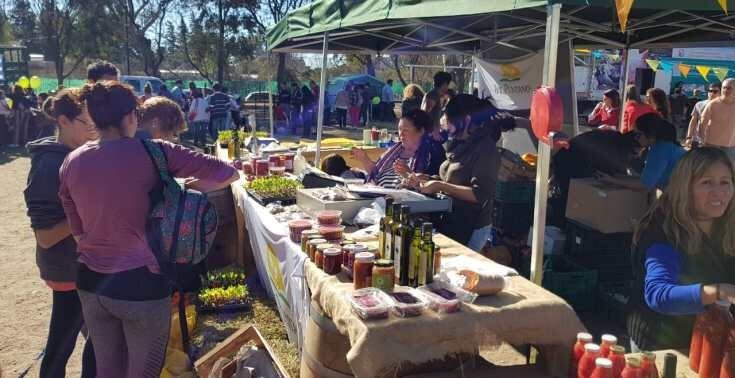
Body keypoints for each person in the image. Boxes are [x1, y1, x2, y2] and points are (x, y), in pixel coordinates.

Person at [59, 81, 239, 377]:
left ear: (92, 117)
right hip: (142, 284)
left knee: (107, 370)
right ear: (131, 116)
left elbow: (76, 229)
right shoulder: (156, 152)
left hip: (92, 285)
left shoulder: (72, 161)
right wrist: (183, 192)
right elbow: (227, 173)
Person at [627, 147, 735, 351]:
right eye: (706, 183)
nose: (718, 192)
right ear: (685, 188)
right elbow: (659, 295)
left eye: (725, 182)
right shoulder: (663, 231)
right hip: (662, 345)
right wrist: (721, 291)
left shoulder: (727, 223)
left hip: (711, 339)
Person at [24, 89, 98, 378]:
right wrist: (91, 213)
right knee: (63, 345)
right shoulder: (48, 167)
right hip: (67, 269)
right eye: (88, 124)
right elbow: (45, 237)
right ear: (64, 121)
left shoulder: (75, 156)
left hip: (81, 264)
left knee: (95, 338)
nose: (95, 130)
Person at [409, 95, 515, 250]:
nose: (447, 127)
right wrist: (426, 178)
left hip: (471, 227)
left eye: (449, 122)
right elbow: (452, 179)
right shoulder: (461, 143)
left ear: (465, 120)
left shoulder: (486, 149)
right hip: (452, 220)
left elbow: (479, 195)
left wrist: (440, 185)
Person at [548, 129, 641, 227]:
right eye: (635, 154)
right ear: (630, 148)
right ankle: (560, 228)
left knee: (568, 200)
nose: (637, 157)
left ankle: (559, 224)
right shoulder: (615, 150)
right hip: (571, 164)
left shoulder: (613, 138)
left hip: (568, 158)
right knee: (569, 202)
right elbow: (616, 176)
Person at [352, 108, 444, 189]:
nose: (401, 134)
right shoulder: (394, 151)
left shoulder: (433, 153)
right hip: (378, 194)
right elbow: (376, 173)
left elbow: (433, 183)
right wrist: (364, 158)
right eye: (399, 129)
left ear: (421, 131)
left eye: (405, 130)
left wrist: (409, 174)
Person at [599, 114, 684, 192]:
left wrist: (612, 180)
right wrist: (618, 178)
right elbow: (645, 180)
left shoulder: (660, 149)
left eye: (638, 134)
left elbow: (645, 185)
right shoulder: (666, 146)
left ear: (651, 134)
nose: (636, 138)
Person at [699, 78, 735, 162]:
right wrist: (702, 140)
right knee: (710, 169)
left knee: (730, 170)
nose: (726, 90)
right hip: (712, 145)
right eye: (724, 87)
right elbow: (702, 123)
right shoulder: (712, 104)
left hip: (731, 146)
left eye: (729, 88)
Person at [687, 82, 721, 146]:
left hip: (714, 141)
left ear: (721, 92)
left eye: (715, 91)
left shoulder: (724, 106)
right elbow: (693, 121)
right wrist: (689, 137)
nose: (711, 93)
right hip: (697, 140)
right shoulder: (699, 104)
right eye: (710, 91)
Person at [422, 71, 453, 137]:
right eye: (448, 84)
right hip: (429, 135)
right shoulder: (433, 95)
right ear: (444, 84)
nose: (449, 87)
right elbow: (424, 115)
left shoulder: (438, 95)